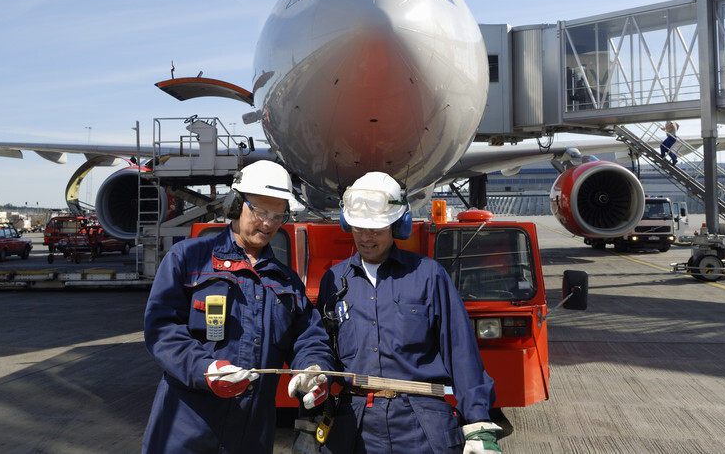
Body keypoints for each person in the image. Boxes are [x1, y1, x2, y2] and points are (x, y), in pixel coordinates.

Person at [142, 160, 334, 453]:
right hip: (184, 427)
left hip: (250, 434)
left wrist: (313, 368)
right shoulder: (188, 259)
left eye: (278, 215)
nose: (269, 223)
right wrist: (205, 368)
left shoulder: (288, 282)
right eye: (259, 212)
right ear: (235, 205)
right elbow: (162, 329)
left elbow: (308, 337)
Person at [307, 172, 501, 454]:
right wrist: (314, 368)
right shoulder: (334, 281)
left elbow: (461, 352)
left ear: (397, 225)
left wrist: (478, 423)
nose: (366, 236)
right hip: (356, 423)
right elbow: (321, 344)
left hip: (422, 422)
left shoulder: (428, 275)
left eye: (376, 228)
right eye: (359, 227)